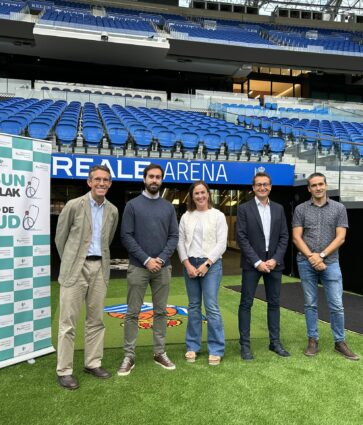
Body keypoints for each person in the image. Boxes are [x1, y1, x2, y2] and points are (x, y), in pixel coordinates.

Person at [55, 164, 119, 390]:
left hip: (99, 269)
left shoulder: (112, 210)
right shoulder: (74, 205)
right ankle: (64, 370)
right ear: (89, 182)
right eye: (97, 179)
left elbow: (107, 239)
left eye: (106, 180)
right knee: (68, 323)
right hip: (75, 269)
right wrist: (72, 261)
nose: (101, 183)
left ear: (110, 184)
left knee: (96, 320)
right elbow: (60, 239)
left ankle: (92, 363)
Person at [118, 163, 179, 376]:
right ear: (144, 179)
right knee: (132, 313)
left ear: (162, 180)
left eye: (158, 177)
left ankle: (159, 352)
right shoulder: (133, 205)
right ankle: (129, 355)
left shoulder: (168, 207)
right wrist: (146, 260)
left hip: (163, 268)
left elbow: (174, 236)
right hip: (138, 267)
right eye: (151, 177)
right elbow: (126, 235)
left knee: (161, 312)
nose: (154, 180)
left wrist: (161, 259)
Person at [292, 172, 359, 360]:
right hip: (305, 262)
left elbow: (341, 237)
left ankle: (340, 342)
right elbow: (297, 237)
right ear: (309, 188)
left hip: (330, 263)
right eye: (314, 185)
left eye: (321, 184)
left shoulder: (339, 208)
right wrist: (311, 258)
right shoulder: (301, 209)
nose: (318, 188)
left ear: (326, 185)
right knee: (310, 304)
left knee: (336, 304)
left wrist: (320, 256)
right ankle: (312, 340)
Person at [237, 172, 289, 360]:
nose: (262, 187)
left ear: (271, 186)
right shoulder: (244, 209)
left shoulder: (279, 209)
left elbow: (284, 236)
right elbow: (241, 237)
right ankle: (245, 345)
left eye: (265, 184)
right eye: (258, 184)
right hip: (252, 265)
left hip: (274, 263)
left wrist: (275, 259)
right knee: (246, 303)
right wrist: (257, 262)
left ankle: (274, 342)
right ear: (253, 188)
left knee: (274, 303)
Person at [177, 181, 228, 366]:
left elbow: (221, 244)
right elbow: (180, 242)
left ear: (208, 194)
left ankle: (216, 348)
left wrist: (207, 264)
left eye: (203, 192)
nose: (200, 196)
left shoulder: (218, 216)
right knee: (193, 306)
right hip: (190, 263)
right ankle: (193, 346)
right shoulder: (186, 216)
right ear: (192, 196)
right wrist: (187, 264)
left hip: (211, 264)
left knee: (211, 306)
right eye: (196, 193)